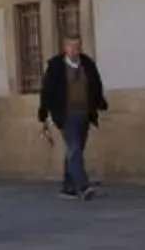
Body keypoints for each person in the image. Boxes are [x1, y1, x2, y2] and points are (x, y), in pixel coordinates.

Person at [36, 29, 108, 198]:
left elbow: (96, 85)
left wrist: (100, 103)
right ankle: (82, 186)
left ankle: (68, 188)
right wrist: (43, 114)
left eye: (78, 46)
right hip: (66, 114)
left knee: (76, 150)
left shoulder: (87, 64)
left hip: (84, 113)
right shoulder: (56, 67)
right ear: (65, 47)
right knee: (74, 148)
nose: (75, 50)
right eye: (71, 46)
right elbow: (47, 91)